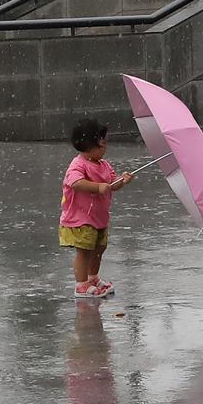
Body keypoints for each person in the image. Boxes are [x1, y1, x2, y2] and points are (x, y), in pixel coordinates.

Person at [59, 119, 133, 298]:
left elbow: (111, 184)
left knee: (99, 249)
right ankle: (81, 284)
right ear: (89, 145)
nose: (105, 148)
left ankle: (93, 277)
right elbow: (75, 183)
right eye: (102, 144)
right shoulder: (79, 164)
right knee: (84, 251)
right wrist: (97, 187)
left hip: (99, 218)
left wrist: (121, 181)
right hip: (81, 218)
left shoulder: (104, 165)